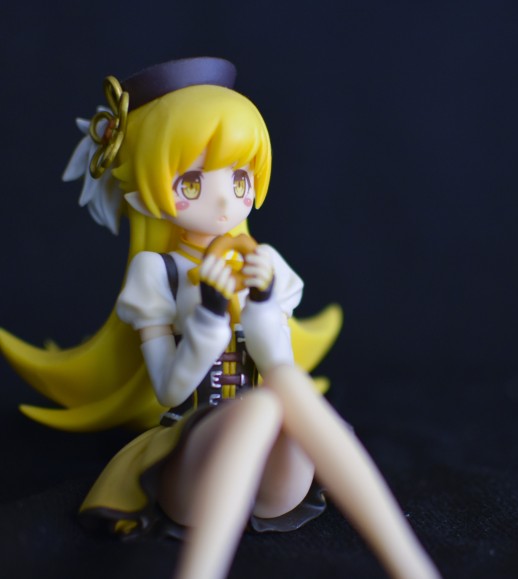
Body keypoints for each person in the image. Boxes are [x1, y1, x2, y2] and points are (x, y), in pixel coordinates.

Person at [0, 58, 440, 579]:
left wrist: (263, 302)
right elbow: (169, 388)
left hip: (276, 480)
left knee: (283, 391)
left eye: (239, 178)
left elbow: (278, 365)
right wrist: (208, 315)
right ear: (144, 192)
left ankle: (411, 566)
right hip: (193, 459)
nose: (224, 201)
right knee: (260, 407)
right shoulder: (158, 273)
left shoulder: (265, 264)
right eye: (191, 183)